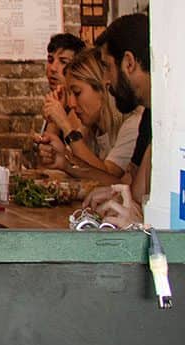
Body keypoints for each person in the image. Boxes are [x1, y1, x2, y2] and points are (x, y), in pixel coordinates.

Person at [36, 47, 142, 185]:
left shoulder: (134, 125)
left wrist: (66, 126)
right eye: (69, 95)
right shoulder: (90, 128)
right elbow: (64, 167)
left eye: (77, 93)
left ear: (103, 89)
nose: (72, 104)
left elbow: (109, 177)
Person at [85, 13, 152, 228]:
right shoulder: (150, 118)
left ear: (129, 63)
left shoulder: (172, 121)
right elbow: (134, 191)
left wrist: (138, 222)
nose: (105, 80)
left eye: (106, 67)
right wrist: (117, 196)